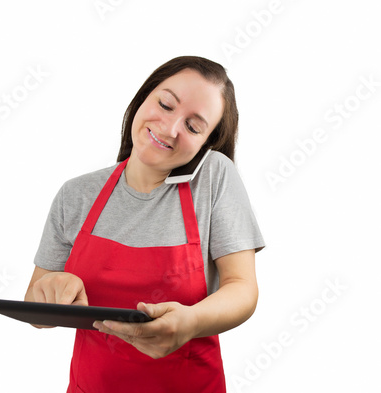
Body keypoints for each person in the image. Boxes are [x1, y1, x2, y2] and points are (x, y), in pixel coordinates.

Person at [24, 55, 266, 392]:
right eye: (166, 104)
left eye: (193, 126)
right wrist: (50, 292)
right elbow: (35, 311)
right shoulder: (76, 195)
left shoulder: (213, 179)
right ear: (144, 97)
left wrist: (192, 321)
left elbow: (242, 288)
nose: (170, 129)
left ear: (206, 143)